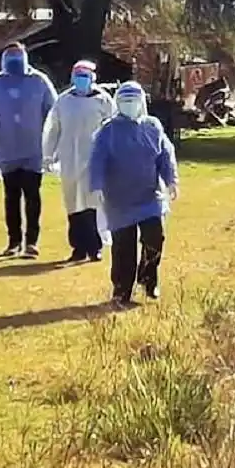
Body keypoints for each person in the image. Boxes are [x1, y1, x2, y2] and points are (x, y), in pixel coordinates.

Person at [88, 81, 179, 306]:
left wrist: (171, 181)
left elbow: (165, 156)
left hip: (149, 196)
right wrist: (97, 186)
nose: (130, 105)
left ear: (142, 103)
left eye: (134, 101)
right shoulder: (108, 131)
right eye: (125, 101)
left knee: (155, 238)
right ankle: (121, 290)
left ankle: (148, 279)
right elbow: (97, 160)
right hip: (119, 200)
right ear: (118, 103)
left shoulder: (152, 127)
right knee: (123, 247)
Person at [0, 42, 58, 259]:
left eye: (18, 57)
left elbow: (55, 113)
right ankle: (14, 242)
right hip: (7, 150)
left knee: (32, 196)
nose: (14, 62)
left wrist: (55, 144)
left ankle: (31, 242)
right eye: (10, 58)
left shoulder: (39, 81)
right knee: (11, 197)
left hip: (34, 150)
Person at [42, 60, 115, 263]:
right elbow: (53, 128)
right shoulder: (64, 100)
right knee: (73, 204)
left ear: (93, 77)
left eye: (86, 75)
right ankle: (78, 247)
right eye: (78, 75)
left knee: (92, 203)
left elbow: (113, 129)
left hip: (95, 159)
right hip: (69, 160)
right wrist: (48, 154)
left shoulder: (103, 100)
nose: (81, 79)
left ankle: (94, 246)